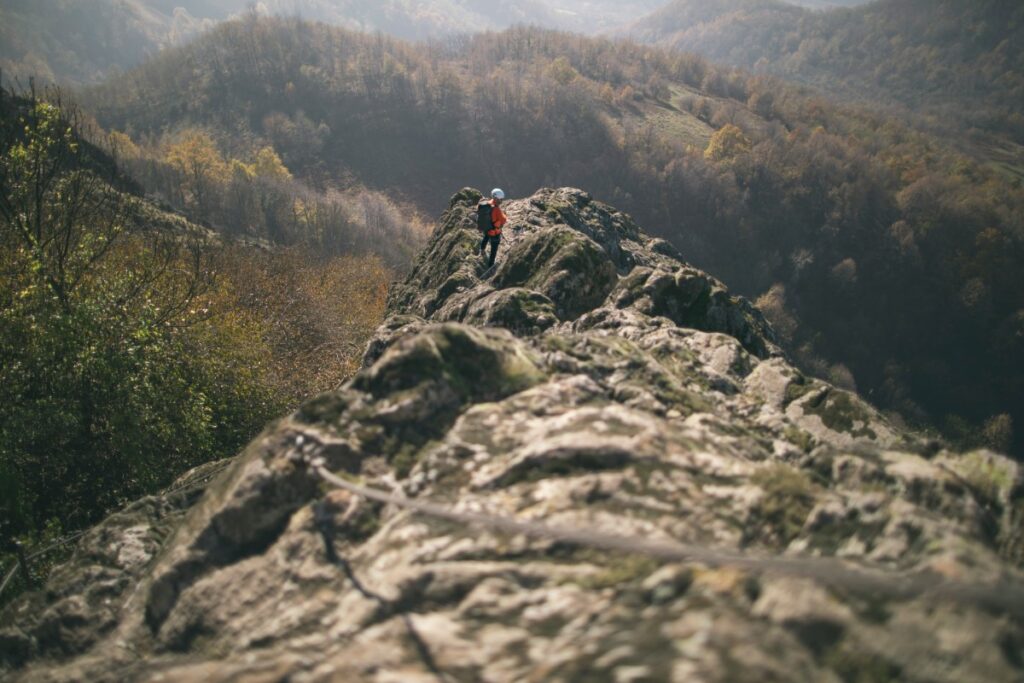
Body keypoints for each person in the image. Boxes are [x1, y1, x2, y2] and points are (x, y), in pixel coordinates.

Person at [478, 188, 507, 268]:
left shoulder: (487, 204)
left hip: (487, 228)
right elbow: (503, 220)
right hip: (494, 232)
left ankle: (482, 249)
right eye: (501, 199)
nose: (501, 201)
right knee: (494, 249)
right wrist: (503, 214)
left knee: (486, 237)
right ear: (497, 198)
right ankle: (491, 265)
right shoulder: (497, 209)